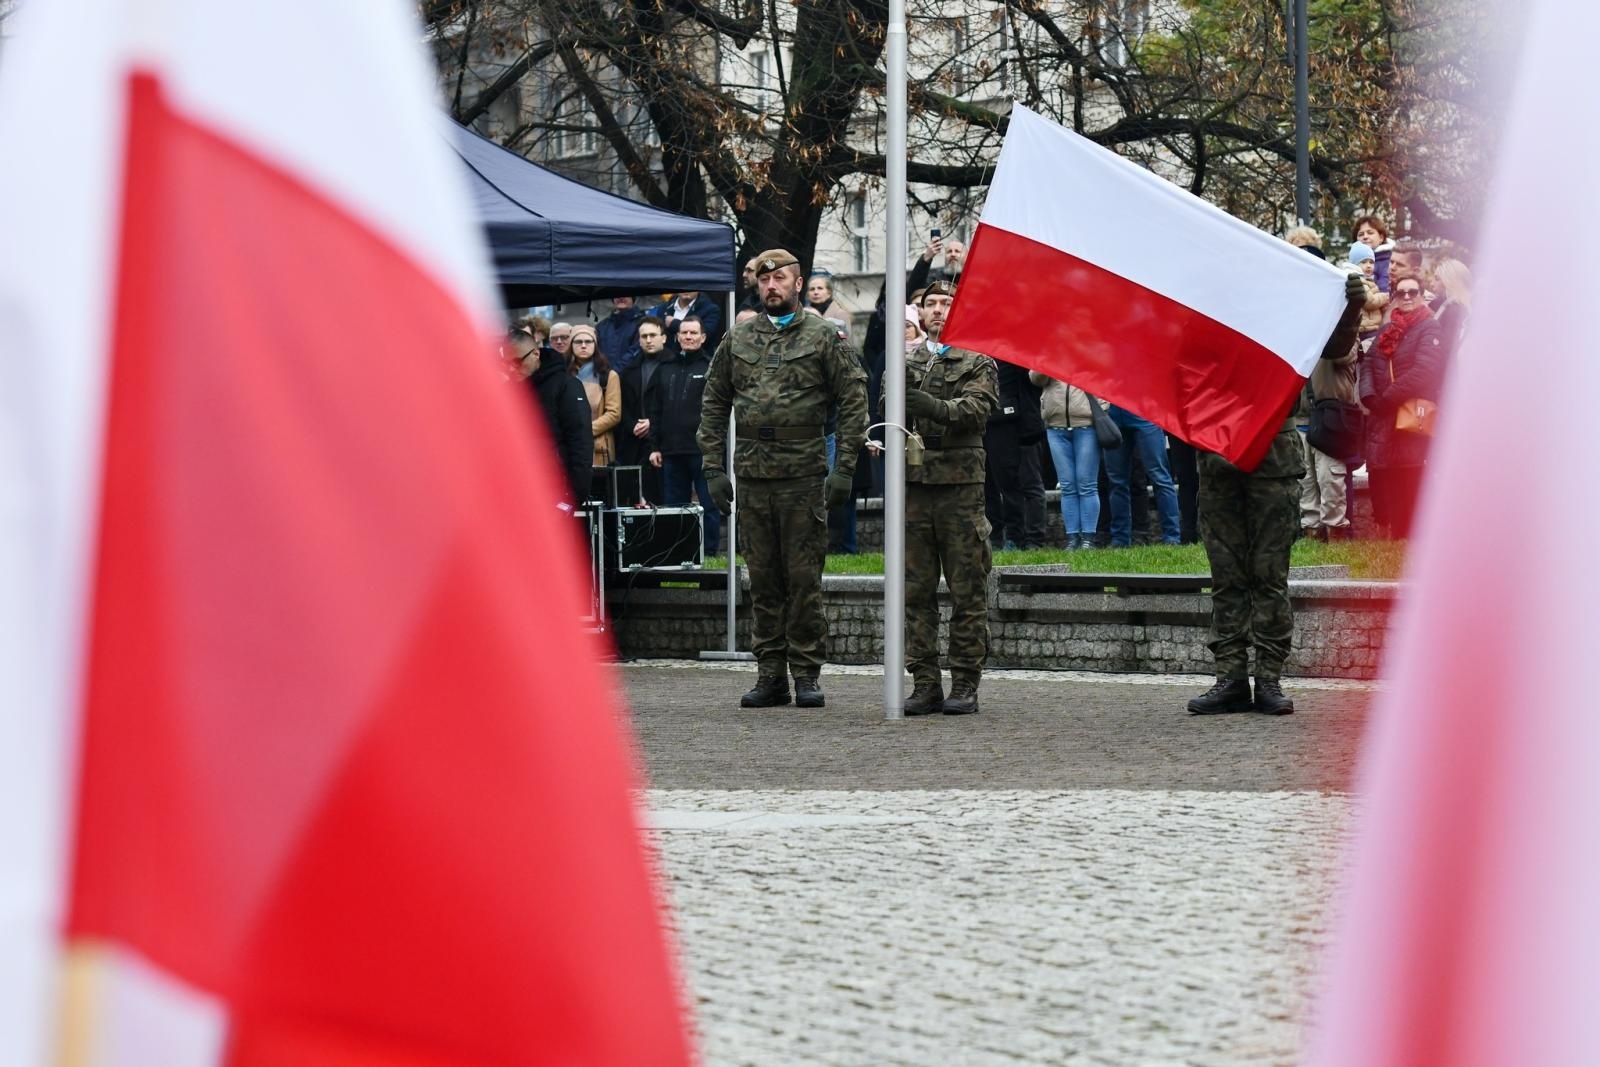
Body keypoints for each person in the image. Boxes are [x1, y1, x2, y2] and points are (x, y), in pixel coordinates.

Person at [1188, 273, 1368, 717]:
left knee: (1269, 575)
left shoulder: (1286, 318)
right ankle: (1230, 677)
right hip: (1218, 459)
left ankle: (1268, 677)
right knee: (1227, 577)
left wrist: (1348, 310)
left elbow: (1335, 349)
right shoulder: (1206, 323)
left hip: (1270, 460)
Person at [698, 249, 867, 709]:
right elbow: (713, 404)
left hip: (804, 474)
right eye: (765, 280)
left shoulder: (823, 336)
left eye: (781, 279)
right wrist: (714, 468)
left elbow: (853, 399)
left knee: (803, 579)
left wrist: (844, 468)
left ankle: (807, 673)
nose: (771, 286)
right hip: (753, 473)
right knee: (764, 580)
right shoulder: (738, 338)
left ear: (798, 284)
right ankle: (770, 674)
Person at [890, 280, 999, 716]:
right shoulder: (906, 361)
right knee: (915, 592)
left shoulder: (977, 359)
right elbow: (887, 405)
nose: (938, 310)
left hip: (958, 489)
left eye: (946, 303)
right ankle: (925, 682)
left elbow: (976, 410)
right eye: (930, 304)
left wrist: (929, 405)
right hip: (914, 488)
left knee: (967, 590)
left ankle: (966, 683)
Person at [1359, 274, 1447, 540]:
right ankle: (1394, 537)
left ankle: (1411, 537)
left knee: (1411, 477)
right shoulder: (1387, 330)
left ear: (1421, 294)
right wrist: (1369, 396)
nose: (1407, 297)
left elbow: (1424, 371)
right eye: (1401, 293)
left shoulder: (1430, 328)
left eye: (1412, 292)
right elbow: (1368, 364)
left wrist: (1386, 399)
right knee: (1389, 478)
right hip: (1384, 418)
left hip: (1411, 417)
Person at [646, 316, 720, 555]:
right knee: (674, 506)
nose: (688, 337)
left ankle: (709, 552)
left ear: (703, 337)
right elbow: (655, 411)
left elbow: (719, 410)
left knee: (709, 505)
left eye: (693, 333)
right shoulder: (664, 369)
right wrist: (654, 446)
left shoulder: (710, 367)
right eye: (684, 333)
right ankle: (676, 553)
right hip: (670, 451)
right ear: (677, 337)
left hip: (702, 450)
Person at [508, 324, 592, 508]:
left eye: (517, 362)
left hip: (556, 490)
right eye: (507, 364)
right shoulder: (511, 388)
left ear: (535, 354)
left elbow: (580, 442)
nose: (512, 369)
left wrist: (574, 497)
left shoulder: (566, 385)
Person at [1031, 372, 1104, 549]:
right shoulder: (1050, 350)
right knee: (1067, 486)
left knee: (1086, 484)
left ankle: (1088, 539)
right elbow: (1035, 379)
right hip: (1055, 427)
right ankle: (1072, 539)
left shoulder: (1092, 349)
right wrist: (1046, 361)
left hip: (1086, 425)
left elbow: (1104, 377)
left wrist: (1102, 406)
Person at [984, 360, 1047, 548]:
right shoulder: (982, 355)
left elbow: (1035, 382)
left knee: (1024, 484)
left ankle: (1026, 538)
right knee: (992, 484)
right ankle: (999, 537)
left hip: (1025, 427)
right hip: (992, 423)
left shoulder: (1020, 353)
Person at [1104, 405, 1182, 545]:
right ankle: (1120, 539)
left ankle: (1172, 537)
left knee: (1159, 478)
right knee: (1117, 481)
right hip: (1116, 412)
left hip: (1144, 410)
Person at [568, 324, 622, 468]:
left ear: (595, 345)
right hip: (570, 447)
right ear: (571, 345)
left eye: (589, 341)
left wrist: (585, 431)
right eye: (578, 342)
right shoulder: (564, 376)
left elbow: (614, 413)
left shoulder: (608, 376)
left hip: (598, 446)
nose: (584, 345)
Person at [650, 290, 724, 352]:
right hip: (667, 363)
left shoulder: (710, 309)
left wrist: (675, 324)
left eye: (691, 284)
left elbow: (706, 335)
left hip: (697, 363)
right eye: (683, 284)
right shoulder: (664, 308)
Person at [596, 295, 648, 371]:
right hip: (604, 376)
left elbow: (636, 351)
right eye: (616, 295)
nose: (621, 298)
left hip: (630, 377)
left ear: (633, 298)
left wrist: (615, 371)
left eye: (626, 294)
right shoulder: (602, 326)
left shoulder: (643, 323)